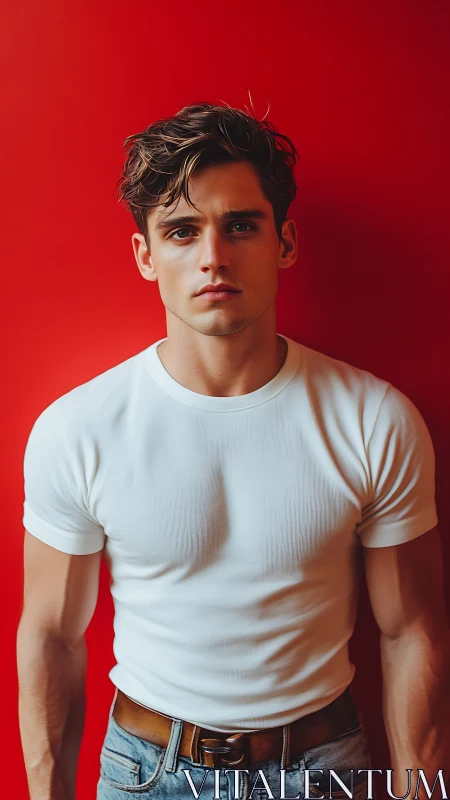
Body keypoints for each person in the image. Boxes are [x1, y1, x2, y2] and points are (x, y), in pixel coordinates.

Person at [17, 102, 449, 800]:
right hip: (146, 772)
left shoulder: (374, 420)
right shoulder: (79, 429)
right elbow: (51, 637)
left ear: (285, 241)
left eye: (241, 225)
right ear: (146, 256)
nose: (213, 257)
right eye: (181, 231)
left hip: (322, 769)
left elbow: (412, 634)